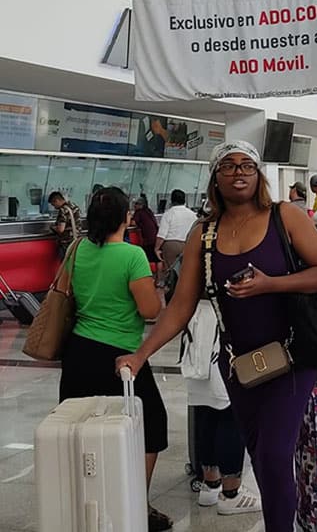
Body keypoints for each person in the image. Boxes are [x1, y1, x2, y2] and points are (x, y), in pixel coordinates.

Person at [115, 141, 317, 532]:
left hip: (290, 357)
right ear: (215, 178)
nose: (239, 172)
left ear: (258, 176)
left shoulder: (284, 216)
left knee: (272, 457)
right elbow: (182, 306)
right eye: (229, 166)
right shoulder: (204, 233)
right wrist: (141, 355)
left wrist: (272, 284)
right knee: (259, 454)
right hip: (239, 365)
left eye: (247, 166)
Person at [58, 187, 171, 531]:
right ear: (126, 218)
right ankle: (135, 503)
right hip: (120, 357)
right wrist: (158, 293)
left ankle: (82, 501)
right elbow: (149, 310)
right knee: (152, 425)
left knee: (79, 427)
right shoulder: (132, 255)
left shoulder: (77, 249)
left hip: (78, 352)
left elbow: (68, 294)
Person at [186, 302, 262, 516]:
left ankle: (210, 484)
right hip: (222, 323)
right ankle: (231, 493)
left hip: (198, 322)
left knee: (206, 408)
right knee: (229, 410)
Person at [155, 189, 197, 271]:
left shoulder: (168, 214)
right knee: (186, 271)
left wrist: (156, 248)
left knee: (170, 271)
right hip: (188, 244)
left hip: (171, 245)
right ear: (184, 200)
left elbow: (162, 235)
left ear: (171, 201)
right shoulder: (192, 215)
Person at [48, 191, 81, 260]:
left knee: (65, 264)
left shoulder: (63, 210)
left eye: (53, 204)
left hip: (66, 242)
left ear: (57, 200)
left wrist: (52, 227)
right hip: (76, 240)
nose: (54, 207)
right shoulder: (74, 206)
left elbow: (61, 229)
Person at [132, 196, 159, 265]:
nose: (134, 206)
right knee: (157, 260)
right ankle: (159, 275)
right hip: (155, 238)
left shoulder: (139, 212)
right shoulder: (148, 211)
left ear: (141, 205)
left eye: (136, 204)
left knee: (148, 260)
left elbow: (133, 223)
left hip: (148, 240)